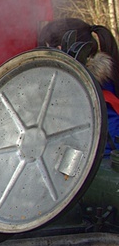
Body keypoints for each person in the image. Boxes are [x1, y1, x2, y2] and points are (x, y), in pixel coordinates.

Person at [38, 17, 119, 155]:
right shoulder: (104, 80)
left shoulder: (97, 93)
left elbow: (108, 145)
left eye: (48, 50)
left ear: (61, 49)